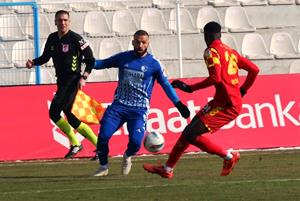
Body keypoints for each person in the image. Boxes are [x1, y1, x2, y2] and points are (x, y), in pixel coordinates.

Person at [143, 21, 259, 179]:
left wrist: (190, 88)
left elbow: (215, 78)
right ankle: (167, 168)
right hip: (222, 101)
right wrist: (243, 91)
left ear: (206, 35)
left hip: (227, 105)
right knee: (188, 133)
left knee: (191, 134)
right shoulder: (231, 52)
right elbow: (254, 70)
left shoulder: (211, 52)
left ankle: (229, 157)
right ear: (220, 35)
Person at [92, 30, 190, 176]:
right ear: (133, 42)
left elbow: (166, 85)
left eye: (143, 42)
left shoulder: (154, 64)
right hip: (118, 106)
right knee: (103, 136)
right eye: (137, 41)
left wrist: (178, 104)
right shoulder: (123, 57)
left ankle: (127, 156)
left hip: (138, 111)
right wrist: (86, 60)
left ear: (148, 43)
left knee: (136, 142)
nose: (140, 45)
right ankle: (103, 167)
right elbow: (102, 64)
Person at [26, 10, 98, 159]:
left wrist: (84, 76)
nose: (62, 23)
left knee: (53, 112)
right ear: (55, 22)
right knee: (70, 117)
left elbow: (91, 59)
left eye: (65, 20)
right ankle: (99, 146)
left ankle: (76, 144)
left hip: (72, 82)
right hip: (61, 82)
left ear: (69, 22)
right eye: (59, 20)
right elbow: (45, 57)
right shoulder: (52, 38)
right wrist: (33, 62)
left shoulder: (76, 39)